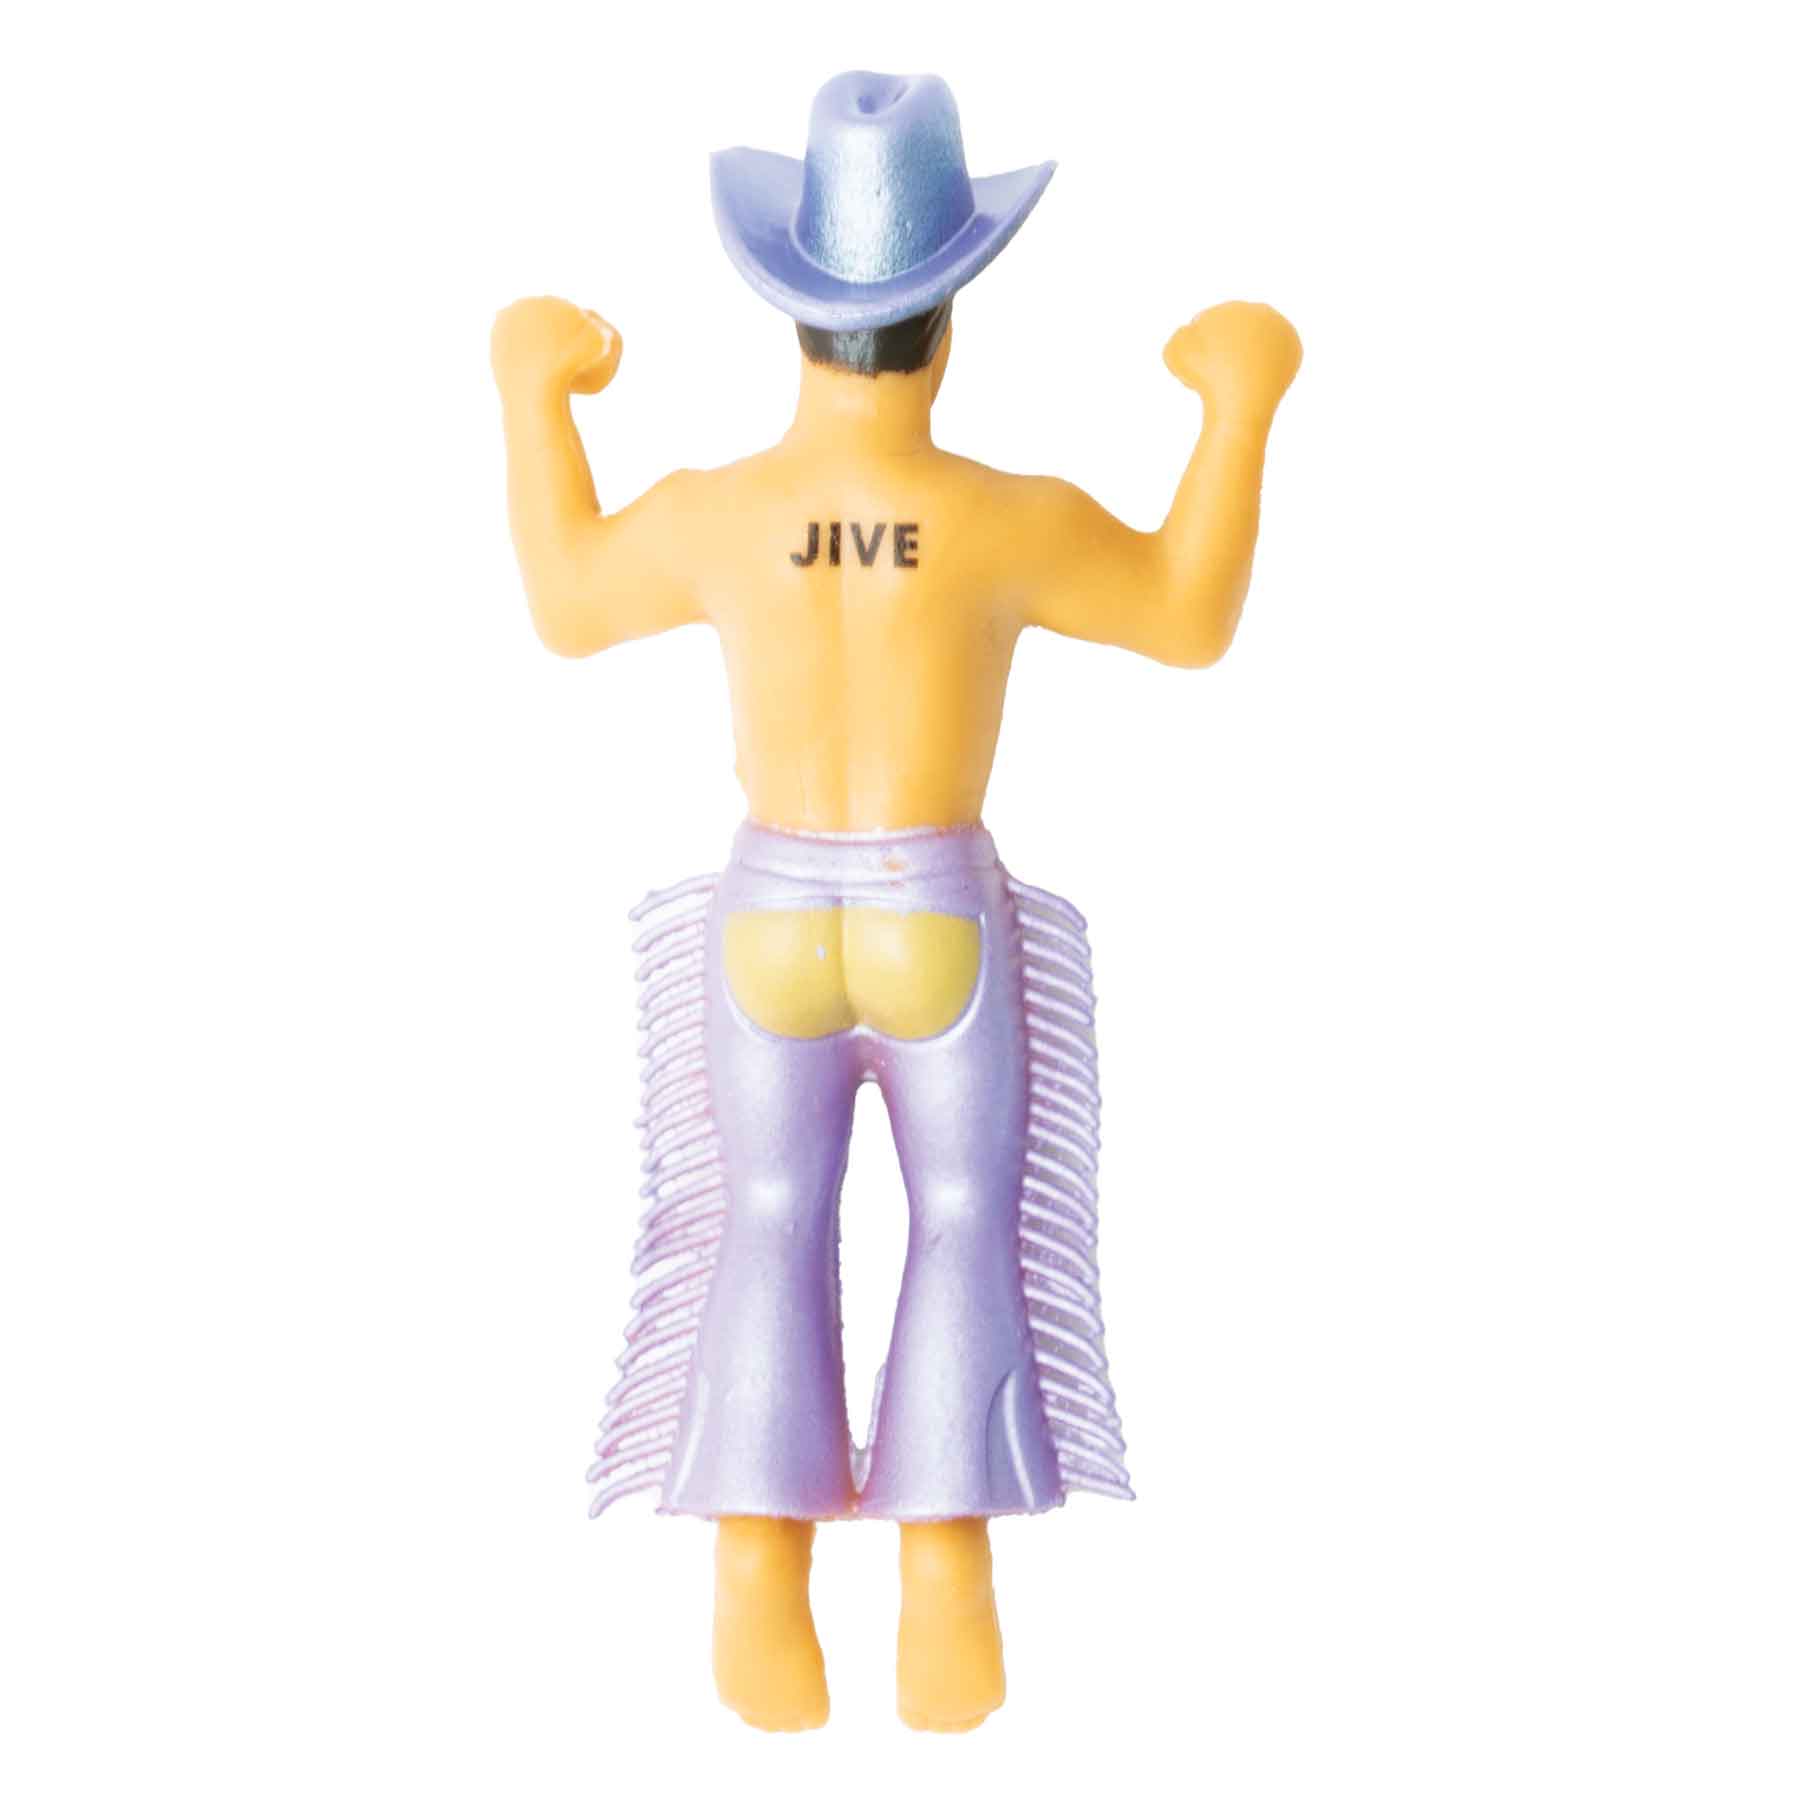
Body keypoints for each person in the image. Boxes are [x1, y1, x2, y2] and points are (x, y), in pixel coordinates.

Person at [491, 70, 1301, 1733]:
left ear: (790, 306)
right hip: (939, 909)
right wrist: (1239, 404)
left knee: (760, 1215)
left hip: (766, 916)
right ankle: (945, 1586)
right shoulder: (995, 519)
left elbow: (568, 601)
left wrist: (531, 393)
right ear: (950, 315)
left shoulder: (729, 515)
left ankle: (756, 1582)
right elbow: (1184, 608)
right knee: (965, 1219)